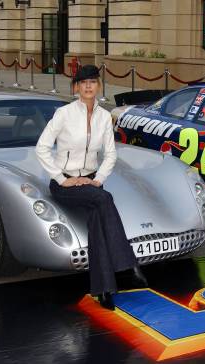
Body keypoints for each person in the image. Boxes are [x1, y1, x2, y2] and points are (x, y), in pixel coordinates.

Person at [36, 64, 147, 310]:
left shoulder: (105, 117)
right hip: (64, 183)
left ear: (98, 86)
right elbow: (42, 147)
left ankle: (105, 289)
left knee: (98, 215)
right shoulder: (63, 114)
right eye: (83, 82)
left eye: (93, 82)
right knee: (105, 199)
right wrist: (62, 178)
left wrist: (97, 180)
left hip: (91, 182)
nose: (88, 86)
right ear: (76, 87)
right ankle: (128, 266)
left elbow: (110, 155)